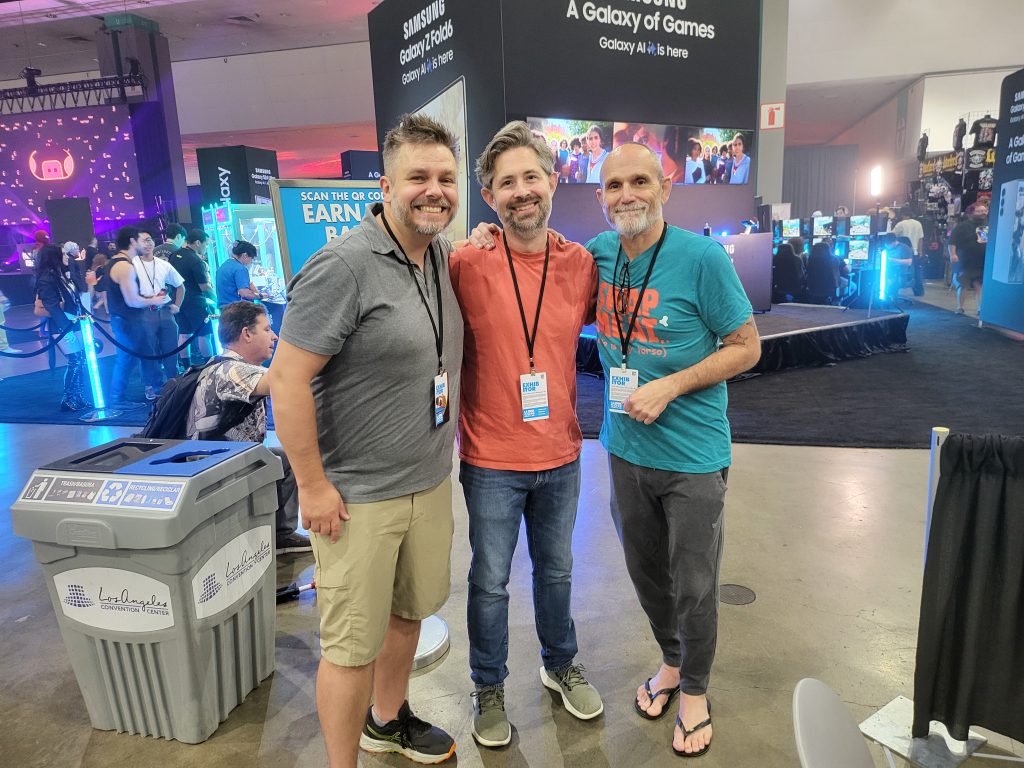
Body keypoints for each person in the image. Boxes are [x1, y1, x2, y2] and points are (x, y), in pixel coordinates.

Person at [268, 113, 464, 768]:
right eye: (418, 177)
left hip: (429, 481)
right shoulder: (342, 268)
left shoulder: (436, 253)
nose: (433, 189)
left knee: (409, 615)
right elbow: (287, 381)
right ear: (385, 185)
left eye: (445, 177)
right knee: (350, 648)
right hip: (357, 500)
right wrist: (313, 486)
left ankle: (388, 719)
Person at [589, 143, 760, 757]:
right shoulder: (599, 255)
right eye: (614, 185)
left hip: (692, 456)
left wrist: (673, 383)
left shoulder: (702, 257)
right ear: (600, 197)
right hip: (624, 449)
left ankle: (693, 690)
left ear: (666, 187)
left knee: (694, 581)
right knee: (646, 573)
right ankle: (669, 660)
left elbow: (746, 346)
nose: (627, 194)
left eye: (640, 181)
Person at [450, 121, 602, 748]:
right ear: (489, 194)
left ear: (553, 181)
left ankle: (559, 661)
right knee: (489, 582)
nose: (520, 192)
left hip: (562, 453)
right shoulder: (465, 260)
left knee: (557, 572)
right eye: (506, 181)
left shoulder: (581, 264)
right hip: (490, 457)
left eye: (530, 177)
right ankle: (488, 686)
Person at [186, 301, 309, 554]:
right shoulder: (231, 370)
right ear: (246, 334)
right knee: (289, 456)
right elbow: (283, 381)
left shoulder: (222, 365)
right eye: (267, 329)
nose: (273, 336)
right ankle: (265, 537)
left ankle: (280, 534)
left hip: (228, 461)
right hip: (217, 469)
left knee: (282, 459)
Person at [106, 226, 168, 409]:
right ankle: (118, 398)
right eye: (142, 240)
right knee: (127, 359)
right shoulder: (124, 266)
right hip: (128, 321)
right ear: (132, 241)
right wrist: (154, 300)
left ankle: (157, 389)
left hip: (126, 320)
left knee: (146, 355)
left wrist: (150, 299)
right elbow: (132, 301)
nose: (146, 244)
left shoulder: (118, 262)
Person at [35, 244, 89, 411]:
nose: (67, 256)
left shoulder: (63, 275)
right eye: (64, 254)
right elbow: (53, 307)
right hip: (62, 326)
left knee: (81, 360)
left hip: (75, 321)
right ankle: (68, 398)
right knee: (76, 360)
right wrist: (68, 328)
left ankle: (78, 396)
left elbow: (78, 294)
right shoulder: (46, 279)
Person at [133, 230, 186, 398]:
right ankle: (151, 385)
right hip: (144, 313)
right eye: (143, 241)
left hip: (165, 310)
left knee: (171, 348)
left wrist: (177, 305)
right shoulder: (131, 264)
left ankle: (172, 382)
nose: (148, 244)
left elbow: (180, 286)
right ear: (135, 244)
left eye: (150, 240)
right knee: (149, 351)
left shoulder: (163, 264)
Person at [169, 228, 216, 368]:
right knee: (204, 334)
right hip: (195, 302)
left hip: (178, 301)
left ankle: (186, 367)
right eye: (205, 244)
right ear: (197, 243)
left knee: (184, 334)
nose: (206, 247)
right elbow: (204, 287)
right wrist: (217, 300)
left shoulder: (174, 255)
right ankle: (210, 366)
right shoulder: (195, 260)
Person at [949, 202, 989, 314]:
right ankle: (960, 307)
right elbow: (952, 242)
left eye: (985, 211)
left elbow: (983, 241)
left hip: (980, 261)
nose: (983, 213)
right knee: (963, 285)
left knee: (979, 284)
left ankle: (981, 309)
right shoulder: (961, 226)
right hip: (964, 261)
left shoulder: (984, 226)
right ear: (971, 213)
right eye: (980, 211)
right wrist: (953, 254)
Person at [216, 240, 263, 307]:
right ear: (245, 255)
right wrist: (260, 296)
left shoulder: (224, 266)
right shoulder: (240, 269)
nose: (251, 261)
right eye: (251, 258)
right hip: (235, 309)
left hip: (224, 308)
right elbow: (244, 293)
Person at [891, 210, 925, 295]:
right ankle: (919, 291)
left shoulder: (900, 224)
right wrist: (920, 251)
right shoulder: (918, 223)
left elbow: (892, 236)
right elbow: (921, 239)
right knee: (917, 272)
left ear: (902, 215)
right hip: (915, 251)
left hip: (903, 253)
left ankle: (895, 290)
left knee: (899, 270)